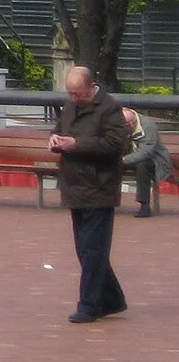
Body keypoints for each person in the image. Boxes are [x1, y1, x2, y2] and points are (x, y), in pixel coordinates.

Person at [50, 66, 130, 323]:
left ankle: (88, 305)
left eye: (80, 94)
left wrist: (77, 144)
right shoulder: (70, 106)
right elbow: (59, 128)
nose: (75, 99)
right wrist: (54, 139)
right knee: (85, 250)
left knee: (93, 249)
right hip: (74, 184)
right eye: (71, 94)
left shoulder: (109, 108)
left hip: (99, 186)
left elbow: (116, 144)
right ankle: (112, 299)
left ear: (92, 86)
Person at [120, 105, 171, 218]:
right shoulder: (117, 122)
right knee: (105, 164)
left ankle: (145, 205)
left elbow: (146, 152)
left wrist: (123, 160)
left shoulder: (148, 126)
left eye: (123, 127)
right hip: (126, 157)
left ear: (131, 124)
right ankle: (104, 201)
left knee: (142, 166)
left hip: (153, 160)